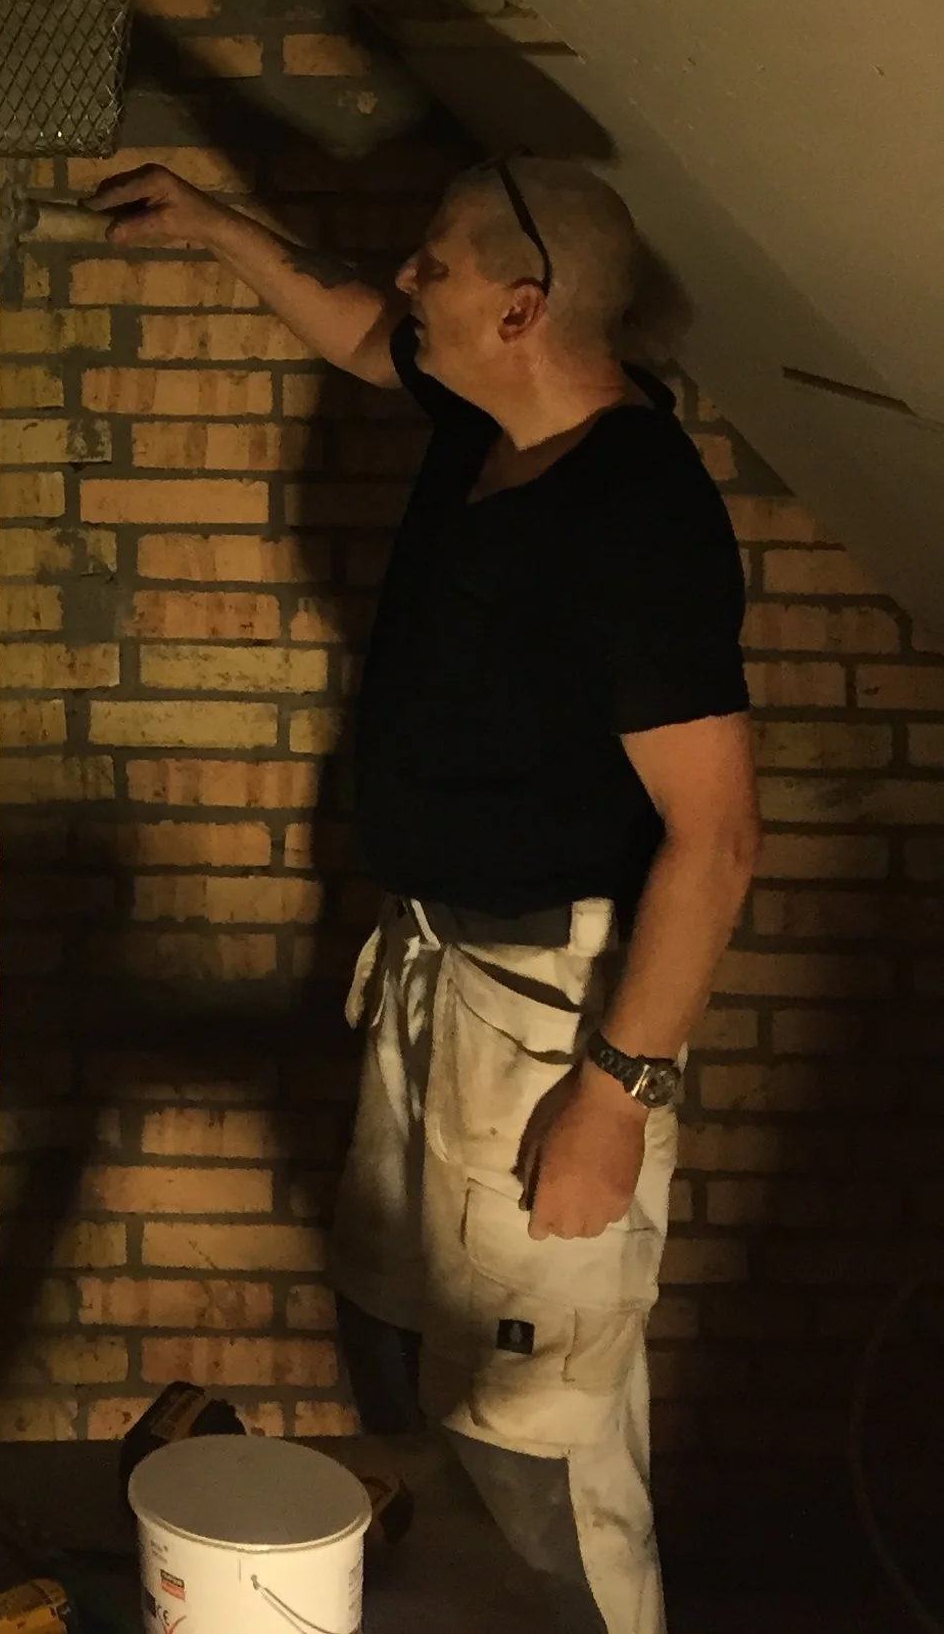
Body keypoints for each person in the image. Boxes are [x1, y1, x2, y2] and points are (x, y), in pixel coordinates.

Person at [86, 152, 757, 1634]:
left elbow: (715, 839)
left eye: (433, 266)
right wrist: (208, 220)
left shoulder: (636, 513)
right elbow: (349, 326)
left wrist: (616, 1098)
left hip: (551, 1027)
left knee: (539, 1449)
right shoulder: (485, 420)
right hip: (435, 979)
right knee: (401, 1368)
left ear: (522, 308)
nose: (406, 283)